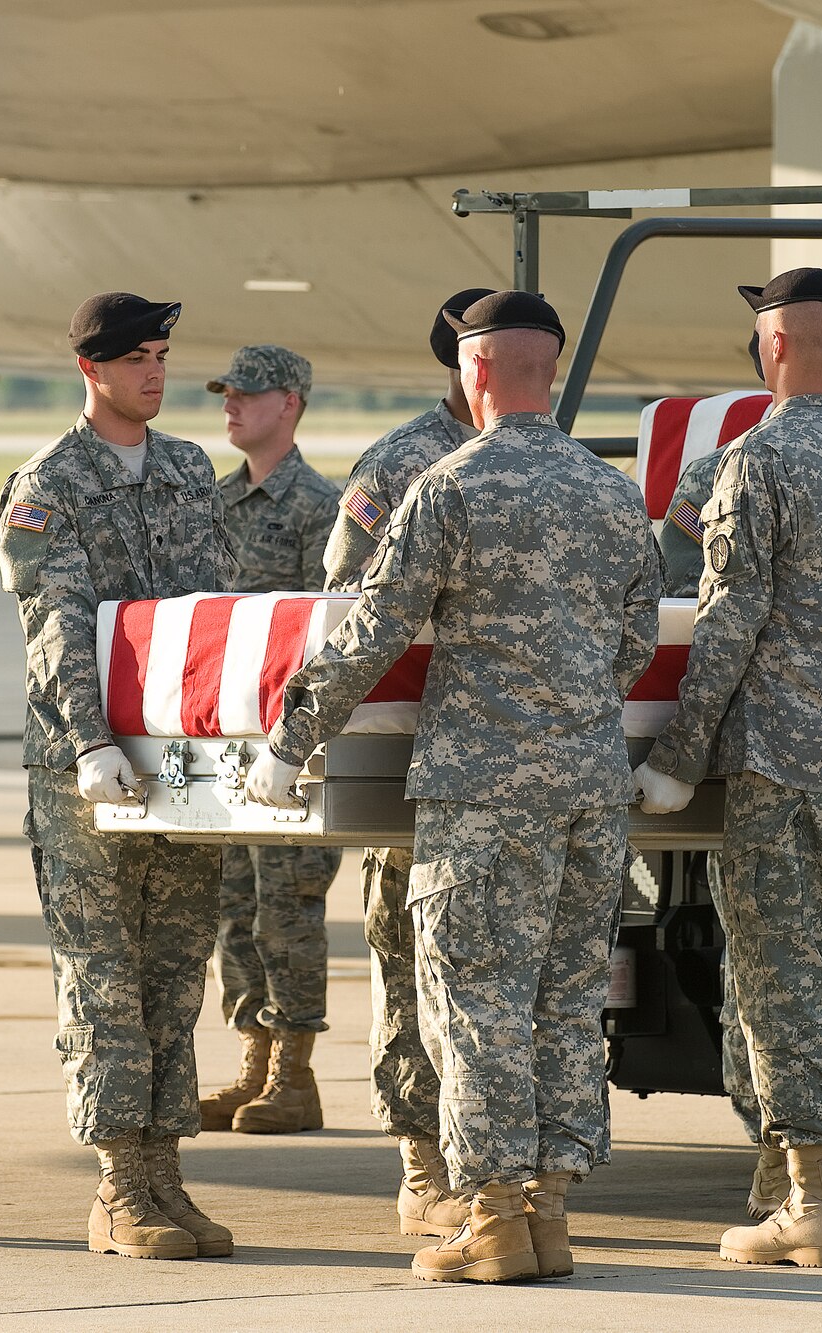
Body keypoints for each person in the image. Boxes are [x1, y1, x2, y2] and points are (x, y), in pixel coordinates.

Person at [246, 290, 662, 1284]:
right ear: (548, 371)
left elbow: (370, 625)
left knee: (473, 997)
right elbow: (638, 640)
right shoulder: (608, 492)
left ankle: (489, 1218)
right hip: (589, 787)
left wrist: (290, 738)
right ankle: (548, 1211)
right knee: (565, 1002)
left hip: (482, 792)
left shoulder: (451, 483)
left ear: (472, 371)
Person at [635, 268, 822, 1269]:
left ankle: (808, 1200)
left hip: (780, 764)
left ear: (771, 347)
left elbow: (724, 623)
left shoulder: (754, 461)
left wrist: (677, 758)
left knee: (782, 981)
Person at [0, 292, 240, 1261]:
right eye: (137, 356)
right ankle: (114, 1188)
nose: (155, 370)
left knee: (175, 973)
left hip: (177, 765)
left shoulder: (186, 467)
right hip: (84, 766)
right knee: (104, 980)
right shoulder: (48, 481)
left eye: (162, 353)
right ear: (92, 369)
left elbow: (219, 607)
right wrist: (89, 739)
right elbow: (52, 616)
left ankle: (164, 1176)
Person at [319, 286, 489, 1237]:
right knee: (407, 957)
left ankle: (502, 1161)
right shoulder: (399, 464)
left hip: (508, 767)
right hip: (412, 763)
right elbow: (345, 606)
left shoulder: (545, 456)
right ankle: (424, 1161)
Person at [195, 344, 344, 1136]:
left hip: (291, 743)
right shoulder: (216, 504)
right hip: (230, 742)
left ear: (290, 402)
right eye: (227, 393)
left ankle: (295, 1071)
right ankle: (253, 1057)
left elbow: (328, 629)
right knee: (236, 907)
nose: (231, 406)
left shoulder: (323, 508)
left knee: (288, 907)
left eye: (247, 394)